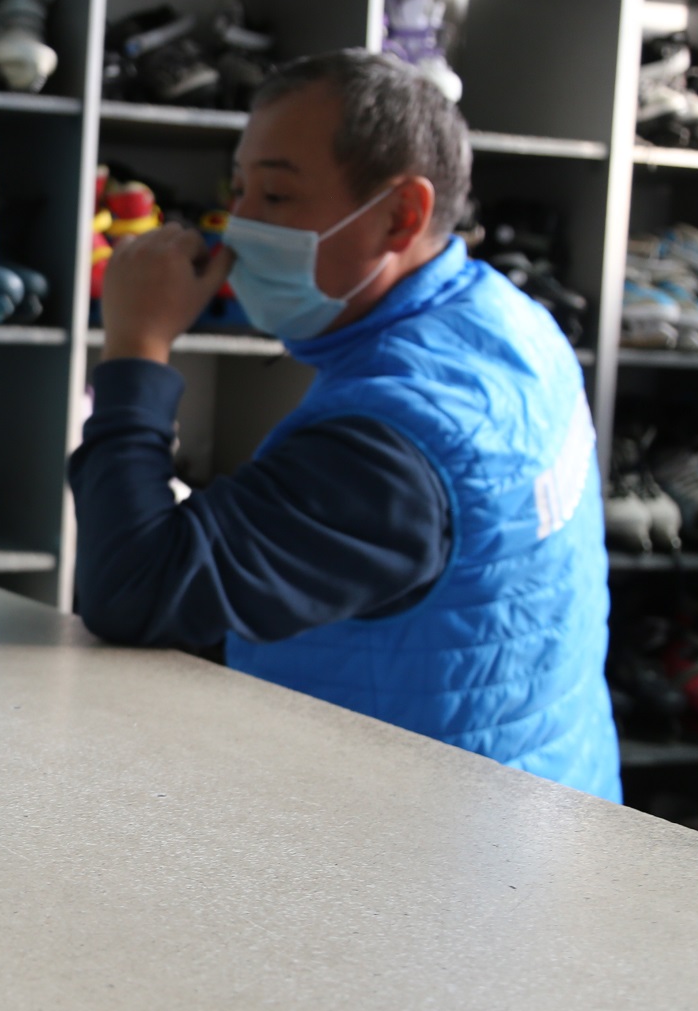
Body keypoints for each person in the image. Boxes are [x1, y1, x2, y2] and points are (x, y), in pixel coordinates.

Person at [71, 50, 617, 802]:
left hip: (419, 848)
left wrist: (136, 346)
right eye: (238, 188)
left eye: (276, 194)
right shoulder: (512, 322)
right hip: (553, 793)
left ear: (401, 215)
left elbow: (130, 592)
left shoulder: (394, 437)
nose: (238, 228)